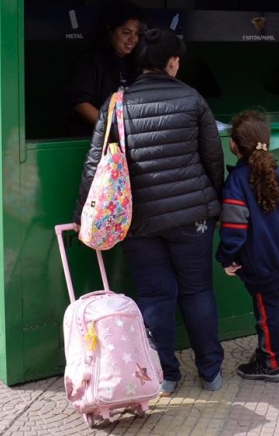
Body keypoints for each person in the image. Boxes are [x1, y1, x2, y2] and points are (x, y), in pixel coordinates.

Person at [73, 28, 225, 396]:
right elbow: (213, 158)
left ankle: (167, 374)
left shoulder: (116, 103)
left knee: (155, 296)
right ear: (173, 61)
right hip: (192, 217)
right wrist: (213, 200)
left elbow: (96, 164)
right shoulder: (192, 99)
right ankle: (210, 373)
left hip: (137, 219)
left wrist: (83, 212)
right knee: (198, 290)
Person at [217, 110, 279, 383]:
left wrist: (226, 257)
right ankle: (277, 351)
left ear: (233, 144)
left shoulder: (235, 182)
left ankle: (269, 363)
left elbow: (234, 229)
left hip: (261, 264)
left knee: (267, 313)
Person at [66, 0, 144, 133]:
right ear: (110, 30)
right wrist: (110, 129)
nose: (133, 39)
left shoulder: (137, 62)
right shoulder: (90, 60)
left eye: (137, 34)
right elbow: (80, 103)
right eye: (126, 32)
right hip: (95, 139)